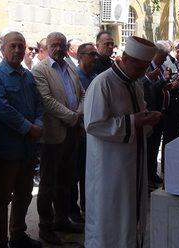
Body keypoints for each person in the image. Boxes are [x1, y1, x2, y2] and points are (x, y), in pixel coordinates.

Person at [84, 36, 162, 248]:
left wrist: (146, 118)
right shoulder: (102, 83)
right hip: (109, 168)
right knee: (109, 216)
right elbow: (93, 124)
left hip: (132, 162)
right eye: (139, 67)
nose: (143, 73)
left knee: (130, 212)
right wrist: (134, 121)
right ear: (125, 59)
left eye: (146, 68)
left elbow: (139, 115)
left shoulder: (135, 84)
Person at [0, 31, 44, 248]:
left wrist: (39, 125)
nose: (18, 50)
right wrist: (29, 128)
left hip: (28, 147)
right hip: (6, 149)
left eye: (21, 46)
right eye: (13, 46)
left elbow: (39, 103)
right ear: (2, 49)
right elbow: (2, 108)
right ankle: (0, 241)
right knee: (1, 199)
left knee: (24, 194)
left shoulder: (28, 75)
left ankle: (18, 235)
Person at [33, 32, 85, 245]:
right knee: (48, 184)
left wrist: (79, 113)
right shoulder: (40, 70)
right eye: (54, 45)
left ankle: (62, 219)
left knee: (66, 179)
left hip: (72, 131)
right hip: (54, 134)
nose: (59, 48)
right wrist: (72, 116)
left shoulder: (70, 66)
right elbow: (46, 100)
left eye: (62, 45)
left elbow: (82, 92)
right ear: (47, 47)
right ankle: (46, 227)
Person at [69, 42, 98, 224]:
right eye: (91, 54)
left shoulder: (96, 78)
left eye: (96, 55)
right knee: (74, 174)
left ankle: (89, 206)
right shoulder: (74, 77)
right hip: (77, 132)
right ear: (80, 56)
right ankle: (73, 211)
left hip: (92, 134)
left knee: (90, 174)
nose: (95, 58)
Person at [143, 42, 172, 186]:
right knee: (150, 146)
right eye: (164, 56)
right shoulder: (148, 68)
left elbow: (160, 88)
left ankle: (153, 173)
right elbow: (148, 89)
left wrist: (167, 81)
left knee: (155, 146)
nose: (165, 59)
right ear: (157, 53)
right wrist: (161, 80)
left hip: (160, 111)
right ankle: (147, 176)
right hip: (151, 111)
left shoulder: (159, 68)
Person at [161, 41, 179, 174]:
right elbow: (165, 85)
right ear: (178, 51)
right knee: (169, 138)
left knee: (176, 137)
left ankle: (173, 164)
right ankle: (165, 168)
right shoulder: (167, 62)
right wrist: (176, 83)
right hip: (171, 106)